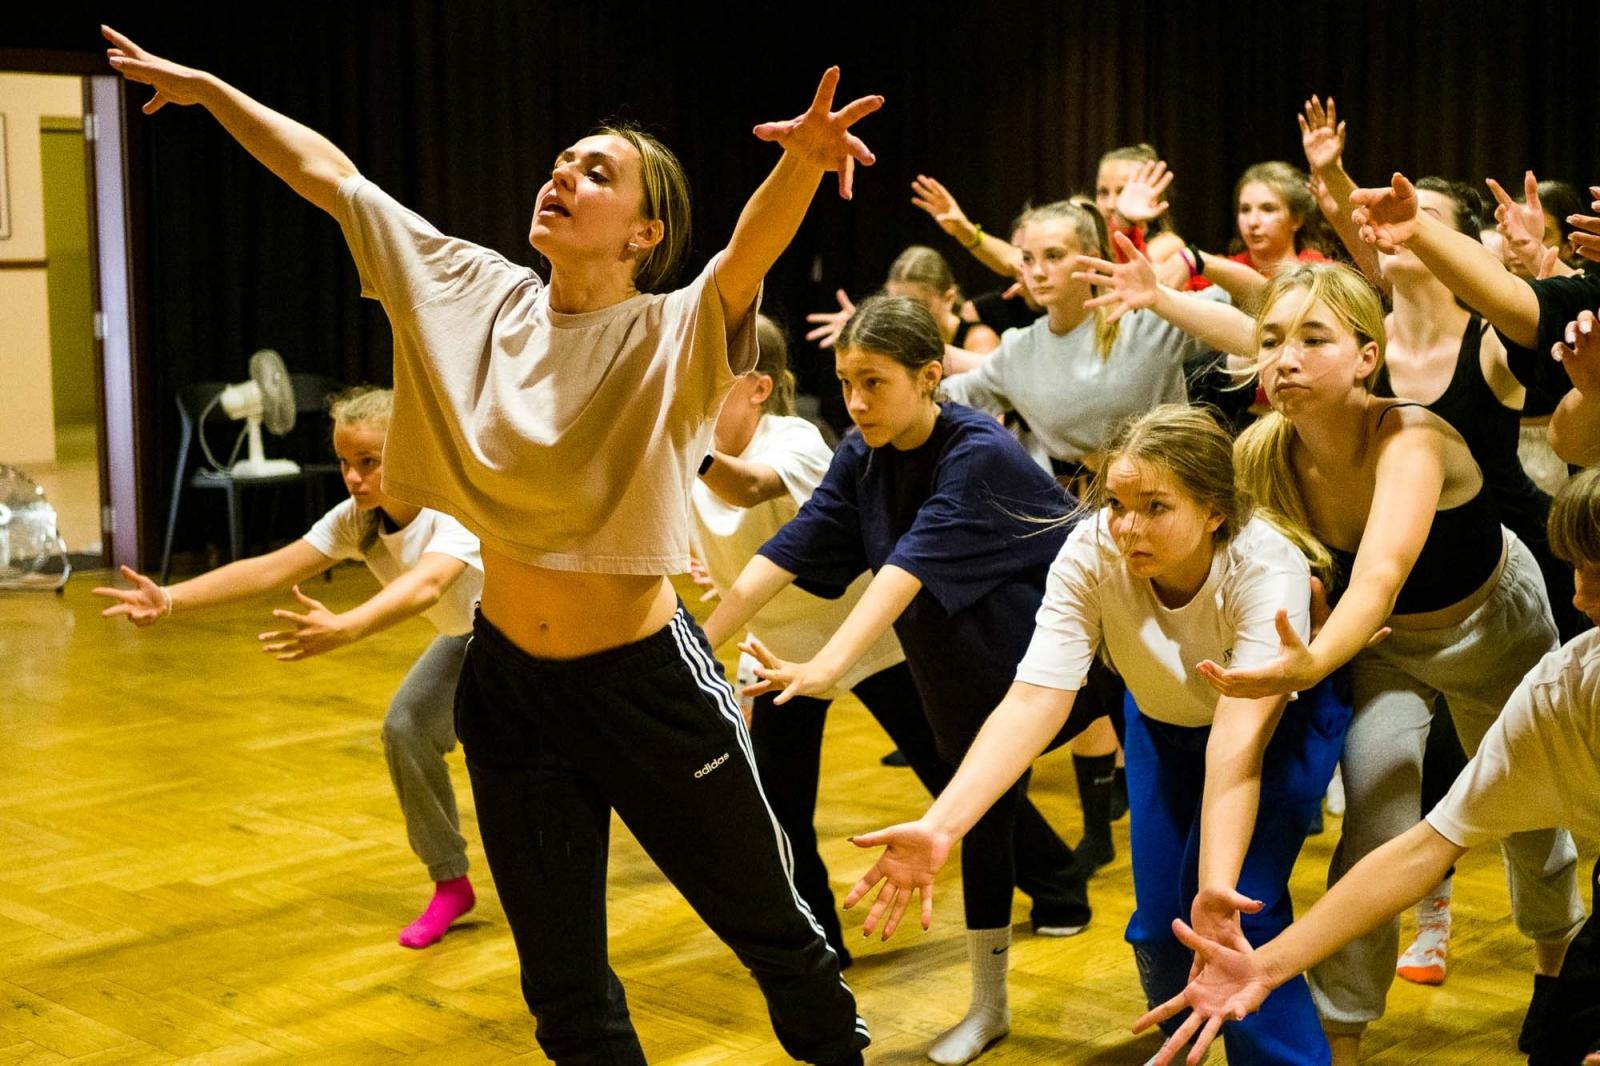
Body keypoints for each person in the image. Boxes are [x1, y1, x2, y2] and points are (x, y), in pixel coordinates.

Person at [105, 24, 885, 1064]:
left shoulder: (674, 332)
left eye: (594, 172)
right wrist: (213, 91)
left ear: (642, 234)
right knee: (561, 989)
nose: (562, 174)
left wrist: (798, 159)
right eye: (560, 160)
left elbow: (747, 255)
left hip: (649, 687)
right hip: (512, 691)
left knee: (776, 937)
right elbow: (332, 176)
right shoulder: (469, 290)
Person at [1077, 255, 1586, 1063]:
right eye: (1272, 338)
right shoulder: (1265, 450)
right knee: (1377, 827)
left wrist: (1308, 663)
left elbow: (1379, 578)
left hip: (1490, 630)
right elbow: (1231, 542)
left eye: (1313, 339)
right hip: (1382, 651)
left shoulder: (1413, 436)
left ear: (1366, 357)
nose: (1286, 358)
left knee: (1527, 817)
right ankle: (1343, 1033)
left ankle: (1556, 960)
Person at [846, 404, 1348, 1064]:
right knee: (1160, 936)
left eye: (1156, 507)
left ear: (1215, 512)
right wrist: (944, 825)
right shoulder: (1090, 550)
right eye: (1116, 502)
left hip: (1272, 737)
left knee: (1232, 932)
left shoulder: (1264, 567)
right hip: (1162, 726)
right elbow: (1034, 699)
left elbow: (1238, 741)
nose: (1128, 527)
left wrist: (1215, 884)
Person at [703, 295, 1092, 1065]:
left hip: (1065, 666)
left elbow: (903, 571)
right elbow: (794, 543)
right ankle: (990, 1007)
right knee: (974, 825)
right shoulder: (862, 452)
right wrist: (695, 643)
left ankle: (1056, 920)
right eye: (846, 381)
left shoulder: (976, 452)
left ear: (929, 377)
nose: (854, 401)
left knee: (986, 819)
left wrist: (827, 666)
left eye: (873, 382)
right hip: (964, 669)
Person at [1136, 466, 1600, 1066]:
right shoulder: (1561, 695)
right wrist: (1265, 967)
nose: (1581, 597)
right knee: (1562, 1046)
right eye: (1578, 570)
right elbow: (1423, 851)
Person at [94, 386, 485, 950]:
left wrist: (347, 627)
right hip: (467, 640)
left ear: (414, 453)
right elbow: (271, 568)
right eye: (346, 463)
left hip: (528, 640)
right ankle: (450, 882)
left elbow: (429, 584)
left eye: (369, 462)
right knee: (406, 729)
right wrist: (172, 599)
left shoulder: (453, 505)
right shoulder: (361, 519)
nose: (353, 477)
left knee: (576, 756)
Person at [943, 198, 1234, 867]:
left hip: (1191, 526)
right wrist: (893, 365)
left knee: (1193, 677)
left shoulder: (1144, 320)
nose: (1036, 270)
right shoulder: (1022, 351)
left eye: (1053, 255)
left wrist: (1177, 282)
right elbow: (957, 393)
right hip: (1097, 529)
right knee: (1094, 678)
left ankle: (1233, 809)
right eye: (1026, 258)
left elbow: (1256, 326)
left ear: (1092, 255)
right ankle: (1109, 829)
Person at [804, 244, 1001, 372]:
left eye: (918, 306)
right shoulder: (897, 341)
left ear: (948, 298)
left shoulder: (978, 338)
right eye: (895, 305)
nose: (905, 316)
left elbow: (991, 401)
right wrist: (860, 336)